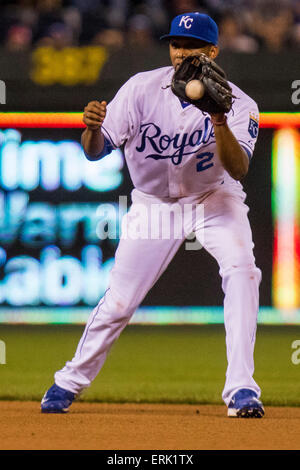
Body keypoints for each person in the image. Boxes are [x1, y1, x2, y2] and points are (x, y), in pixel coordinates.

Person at [41, 12, 264, 418]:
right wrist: (90, 128)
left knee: (243, 270)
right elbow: (95, 150)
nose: (181, 52)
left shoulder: (238, 103)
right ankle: (67, 382)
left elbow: (239, 168)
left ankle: (242, 390)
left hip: (214, 198)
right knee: (120, 302)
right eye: (176, 44)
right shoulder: (141, 89)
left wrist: (217, 118)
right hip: (153, 204)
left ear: (212, 51)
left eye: (192, 46)